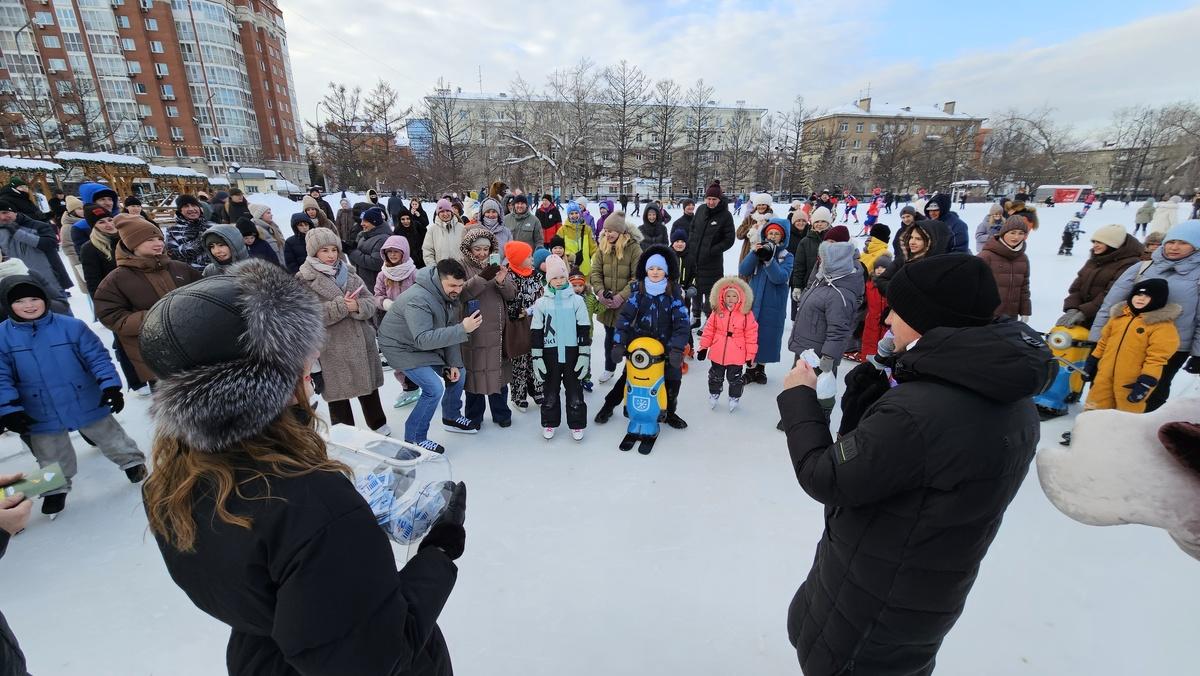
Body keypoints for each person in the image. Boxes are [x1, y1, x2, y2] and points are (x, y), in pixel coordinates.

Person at [139, 258, 463, 673]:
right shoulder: (315, 504)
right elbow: (379, 655)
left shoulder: (169, 481)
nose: (312, 365)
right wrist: (438, 552)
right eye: (301, 360)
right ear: (267, 386)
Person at [778, 253, 1049, 675]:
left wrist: (799, 398)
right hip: (914, 590)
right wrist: (878, 389)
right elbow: (882, 465)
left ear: (928, 319)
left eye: (898, 312)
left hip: (874, 600)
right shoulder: (1005, 395)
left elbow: (827, 476)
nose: (886, 321)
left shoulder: (923, 411)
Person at [0, 275, 146, 515]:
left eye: (34, 298)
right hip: (39, 407)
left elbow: (97, 357)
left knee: (110, 435)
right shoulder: (3, 337)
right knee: (50, 453)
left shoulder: (71, 326)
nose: (29, 305)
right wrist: (9, 409)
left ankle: (132, 463)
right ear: (8, 305)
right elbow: (1, 377)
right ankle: (55, 489)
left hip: (84, 397)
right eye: (20, 301)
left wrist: (110, 386)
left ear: (44, 299)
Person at [1089, 220, 1200, 411]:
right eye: (1171, 241)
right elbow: (1111, 305)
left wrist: (1198, 353)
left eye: (1183, 243)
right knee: (1105, 382)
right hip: (1124, 340)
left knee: (1151, 391)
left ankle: (1136, 435)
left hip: (1169, 347)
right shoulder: (1143, 267)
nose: (1174, 247)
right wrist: (1097, 337)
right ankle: (1097, 427)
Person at [379, 259, 483, 452]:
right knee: (433, 388)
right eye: (452, 285)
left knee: (459, 373)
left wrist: (452, 363)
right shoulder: (418, 299)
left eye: (461, 286)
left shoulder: (449, 296)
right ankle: (414, 438)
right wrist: (463, 328)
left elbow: (449, 332)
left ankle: (451, 416)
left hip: (423, 343)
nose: (457, 290)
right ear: (438, 280)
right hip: (401, 347)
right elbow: (423, 339)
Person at [295, 228, 389, 435]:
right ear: (313, 252)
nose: (330, 255)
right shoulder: (304, 279)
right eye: (324, 251)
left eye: (334, 250)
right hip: (332, 347)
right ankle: (345, 435)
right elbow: (306, 315)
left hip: (360, 341)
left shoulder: (350, 272)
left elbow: (370, 301)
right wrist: (341, 307)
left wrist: (358, 307)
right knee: (338, 394)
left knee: (369, 389)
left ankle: (379, 425)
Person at [95, 214, 202, 389]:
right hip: (155, 354)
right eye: (150, 239)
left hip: (193, 346)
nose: (158, 243)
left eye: (159, 238)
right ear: (132, 244)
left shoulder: (179, 267)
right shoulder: (116, 279)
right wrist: (154, 318)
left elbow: (203, 293)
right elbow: (110, 315)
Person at [595, 246, 691, 433]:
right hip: (641, 347)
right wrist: (619, 343)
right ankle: (609, 406)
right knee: (628, 377)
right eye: (652, 268)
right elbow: (624, 319)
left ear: (666, 271)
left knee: (673, 379)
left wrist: (678, 349)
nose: (655, 272)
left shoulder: (674, 293)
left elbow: (682, 322)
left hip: (667, 346)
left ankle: (670, 412)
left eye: (659, 269)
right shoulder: (638, 291)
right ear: (646, 270)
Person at [1082, 278, 1180, 413]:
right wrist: (1092, 361)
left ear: (1158, 300)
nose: (1141, 299)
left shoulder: (1162, 326)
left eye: (1147, 296)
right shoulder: (1118, 318)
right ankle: (1088, 431)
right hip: (1104, 375)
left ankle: (1123, 434)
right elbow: (1103, 342)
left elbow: (1157, 358)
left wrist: (1146, 381)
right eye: (1138, 294)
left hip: (1131, 381)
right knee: (1095, 405)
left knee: (1127, 412)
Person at [789, 227, 864, 388]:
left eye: (833, 243)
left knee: (811, 399)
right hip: (807, 349)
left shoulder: (840, 288)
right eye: (826, 242)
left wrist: (829, 357)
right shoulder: (824, 272)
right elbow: (811, 289)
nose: (827, 248)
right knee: (797, 394)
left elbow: (839, 327)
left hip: (818, 356)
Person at [457, 226, 516, 429]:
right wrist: (483, 277)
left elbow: (511, 294)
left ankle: (501, 413)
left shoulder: (497, 264)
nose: (482, 253)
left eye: (485, 248)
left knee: (497, 374)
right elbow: (461, 294)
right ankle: (474, 416)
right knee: (474, 374)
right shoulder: (461, 267)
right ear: (469, 250)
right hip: (474, 328)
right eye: (477, 249)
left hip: (498, 328)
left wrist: (501, 282)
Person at [530, 254, 590, 440]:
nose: (558, 281)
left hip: (572, 353)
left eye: (562, 277)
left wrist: (584, 354)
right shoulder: (541, 303)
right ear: (548, 279)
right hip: (550, 354)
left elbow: (583, 328)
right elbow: (536, 331)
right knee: (550, 390)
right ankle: (549, 422)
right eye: (554, 277)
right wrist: (537, 357)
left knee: (574, 390)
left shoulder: (577, 301)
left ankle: (577, 423)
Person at [1057, 224, 1144, 330]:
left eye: (1099, 242)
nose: (1095, 245)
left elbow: (1111, 294)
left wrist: (1084, 312)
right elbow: (1076, 287)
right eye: (1094, 242)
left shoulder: (1129, 264)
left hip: (1105, 319)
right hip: (1083, 315)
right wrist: (1072, 308)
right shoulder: (1094, 260)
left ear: (1113, 244)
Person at [739, 218, 794, 386]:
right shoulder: (759, 250)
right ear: (765, 234)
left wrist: (770, 261)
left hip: (773, 303)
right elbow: (744, 270)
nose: (773, 236)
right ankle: (749, 369)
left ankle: (760, 369)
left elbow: (780, 278)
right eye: (770, 233)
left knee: (767, 336)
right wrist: (753, 254)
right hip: (754, 300)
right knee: (751, 335)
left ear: (783, 238)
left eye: (777, 234)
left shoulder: (787, 256)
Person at [589, 213, 641, 383]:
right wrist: (600, 292)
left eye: (611, 231)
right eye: (605, 230)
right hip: (608, 305)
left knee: (628, 338)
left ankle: (631, 371)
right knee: (609, 337)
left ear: (620, 231)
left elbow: (637, 277)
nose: (608, 234)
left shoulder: (634, 249)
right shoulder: (602, 247)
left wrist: (621, 296)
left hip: (627, 305)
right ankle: (609, 368)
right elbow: (595, 272)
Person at [698, 275, 758, 411]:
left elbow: (751, 336)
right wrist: (703, 347)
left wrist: (750, 356)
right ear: (722, 297)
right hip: (718, 351)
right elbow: (709, 330)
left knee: (735, 378)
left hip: (737, 353)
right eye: (728, 296)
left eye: (734, 296)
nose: (731, 299)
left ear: (740, 297)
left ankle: (734, 396)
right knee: (715, 375)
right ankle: (714, 392)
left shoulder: (746, 314)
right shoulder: (717, 311)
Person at [684, 181, 736, 327]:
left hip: (712, 262)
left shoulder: (725, 216)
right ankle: (696, 317)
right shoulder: (700, 210)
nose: (711, 202)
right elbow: (692, 228)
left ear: (719, 200)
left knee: (710, 293)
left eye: (714, 199)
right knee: (696, 290)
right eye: (709, 199)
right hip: (695, 259)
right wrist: (691, 244)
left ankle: (709, 320)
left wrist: (712, 250)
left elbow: (729, 239)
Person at [502, 241, 542, 413]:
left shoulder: (536, 276)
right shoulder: (508, 277)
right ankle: (518, 396)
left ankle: (538, 389)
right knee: (519, 361)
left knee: (537, 358)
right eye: (528, 257)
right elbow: (506, 300)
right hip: (518, 325)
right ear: (518, 259)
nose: (532, 259)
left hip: (536, 322)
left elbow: (542, 295)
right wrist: (516, 311)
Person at [977, 216, 1032, 322]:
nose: (1016, 237)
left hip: (1011, 316)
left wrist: (1025, 311)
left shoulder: (1023, 259)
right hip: (987, 315)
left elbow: (1024, 288)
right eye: (1012, 232)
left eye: (1021, 233)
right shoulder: (986, 256)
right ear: (1003, 233)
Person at [568, 267, 601, 392]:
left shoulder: (590, 298)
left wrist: (605, 300)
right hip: (571, 334)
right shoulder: (567, 299)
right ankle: (573, 377)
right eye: (574, 285)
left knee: (586, 356)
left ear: (584, 285)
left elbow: (598, 309)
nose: (577, 288)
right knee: (572, 357)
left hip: (587, 334)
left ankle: (586, 378)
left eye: (580, 285)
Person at [348, 206, 392, 289]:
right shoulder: (365, 236)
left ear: (374, 222)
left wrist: (353, 252)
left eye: (365, 221)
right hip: (365, 282)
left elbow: (376, 263)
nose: (361, 224)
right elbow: (357, 262)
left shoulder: (383, 239)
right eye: (362, 220)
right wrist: (351, 249)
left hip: (375, 285)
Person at [165, 194, 212, 271]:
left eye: (194, 205)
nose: (191, 209)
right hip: (190, 273)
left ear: (199, 208)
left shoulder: (212, 225)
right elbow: (174, 254)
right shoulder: (173, 230)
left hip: (214, 272)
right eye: (186, 206)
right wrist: (199, 241)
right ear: (180, 210)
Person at [860, 254, 892, 359]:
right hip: (871, 323)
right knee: (869, 345)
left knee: (883, 350)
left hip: (886, 324)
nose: (879, 270)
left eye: (883, 267)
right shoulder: (869, 285)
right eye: (877, 267)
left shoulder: (891, 286)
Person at [424, 198, 466, 265]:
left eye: (447, 210)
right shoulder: (432, 230)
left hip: (461, 270)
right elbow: (427, 252)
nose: (445, 214)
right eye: (442, 211)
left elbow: (468, 250)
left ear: (451, 212)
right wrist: (434, 268)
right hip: (441, 272)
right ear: (438, 213)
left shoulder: (461, 228)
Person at [559, 203, 596, 275]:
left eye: (576, 213)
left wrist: (595, 260)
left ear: (580, 213)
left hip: (585, 269)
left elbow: (593, 248)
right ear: (568, 215)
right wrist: (569, 255)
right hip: (569, 269)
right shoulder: (562, 230)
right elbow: (557, 249)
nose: (574, 215)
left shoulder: (587, 229)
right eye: (571, 213)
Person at [736, 193, 773, 262]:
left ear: (768, 205)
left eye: (763, 204)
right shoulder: (750, 218)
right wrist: (750, 228)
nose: (761, 207)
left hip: (765, 253)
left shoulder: (773, 218)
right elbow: (739, 235)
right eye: (759, 205)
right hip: (748, 252)